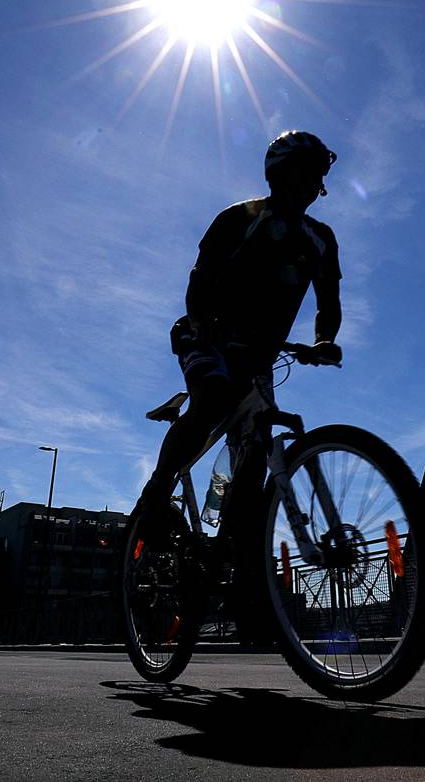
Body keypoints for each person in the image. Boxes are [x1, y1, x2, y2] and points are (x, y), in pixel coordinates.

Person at [137, 130, 343, 545]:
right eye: (301, 174)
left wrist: (323, 341)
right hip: (205, 336)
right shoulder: (240, 218)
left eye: (315, 176)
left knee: (257, 449)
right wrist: (202, 321)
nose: (309, 186)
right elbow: (199, 279)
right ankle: (155, 495)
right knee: (211, 398)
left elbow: (329, 303)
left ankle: (233, 549)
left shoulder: (321, 239)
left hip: (258, 357)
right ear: (278, 176)